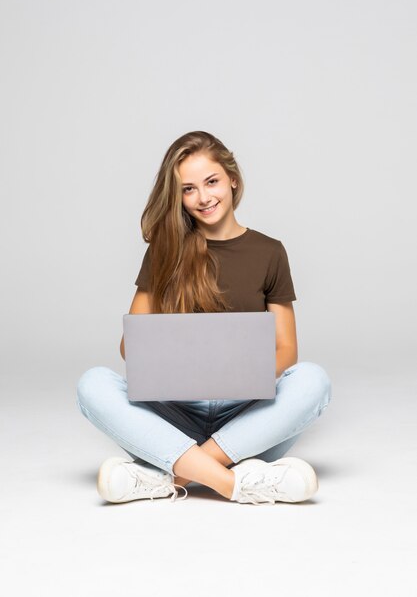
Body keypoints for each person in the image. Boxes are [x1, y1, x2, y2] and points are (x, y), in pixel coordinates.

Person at [76, 130, 332, 506]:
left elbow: (287, 349)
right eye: (188, 189)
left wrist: (242, 378)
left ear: (232, 179)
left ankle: (170, 476)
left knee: (313, 380)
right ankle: (235, 483)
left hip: (246, 418)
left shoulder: (270, 252)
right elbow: (130, 347)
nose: (203, 197)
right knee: (92, 384)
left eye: (211, 182)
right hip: (174, 411)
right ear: (177, 197)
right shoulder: (165, 251)